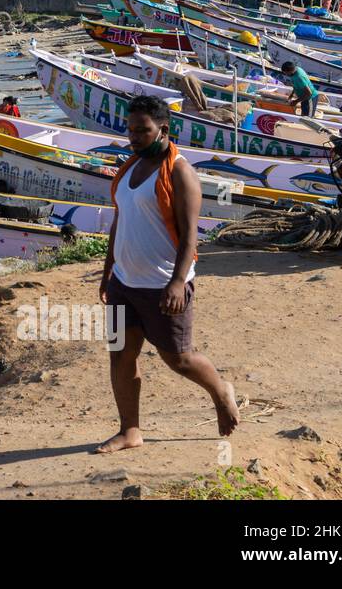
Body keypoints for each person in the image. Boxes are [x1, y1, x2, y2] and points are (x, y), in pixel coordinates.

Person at [97, 95, 239, 453]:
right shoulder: (129, 167)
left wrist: (178, 281)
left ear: (163, 129)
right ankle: (130, 430)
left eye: (142, 130)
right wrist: (107, 270)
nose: (134, 137)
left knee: (179, 359)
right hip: (123, 283)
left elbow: (191, 233)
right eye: (130, 130)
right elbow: (120, 220)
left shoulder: (180, 172)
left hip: (162, 284)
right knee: (120, 355)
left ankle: (221, 390)